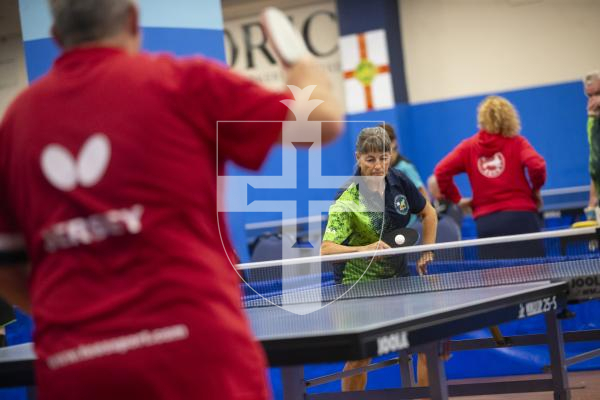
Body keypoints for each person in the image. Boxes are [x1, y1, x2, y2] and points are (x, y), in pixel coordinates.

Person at [0, 1, 343, 399]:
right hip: (195, 356)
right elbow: (323, 121)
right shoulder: (184, 83)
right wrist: (304, 68)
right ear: (132, 19)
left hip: (76, 368)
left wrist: (86, 324)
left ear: (57, 35)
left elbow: (7, 268)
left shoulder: (17, 122)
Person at [321, 127, 437, 391]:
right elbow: (326, 249)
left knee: (424, 343)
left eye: (384, 157)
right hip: (356, 286)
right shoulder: (347, 196)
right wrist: (363, 249)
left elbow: (428, 213)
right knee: (359, 357)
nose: (378, 166)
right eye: (370, 159)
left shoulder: (399, 180)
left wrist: (427, 250)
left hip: (398, 279)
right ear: (358, 157)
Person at [434, 95, 546, 259]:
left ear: (481, 120)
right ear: (509, 117)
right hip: (522, 218)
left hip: (487, 222)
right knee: (535, 275)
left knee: (496, 280)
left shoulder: (468, 147)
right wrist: (535, 190)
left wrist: (457, 200)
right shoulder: (518, 142)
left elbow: (441, 171)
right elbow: (537, 166)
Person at [584, 72, 600, 218]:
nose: (594, 100)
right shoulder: (592, 123)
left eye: (598, 93)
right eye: (589, 96)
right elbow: (596, 166)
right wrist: (592, 202)